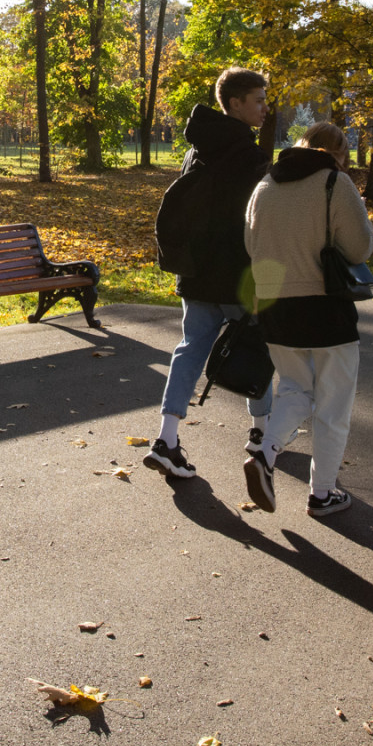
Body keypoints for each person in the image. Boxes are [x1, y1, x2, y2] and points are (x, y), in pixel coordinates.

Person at [240, 121, 373, 517]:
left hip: (275, 306)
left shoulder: (264, 186)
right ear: (339, 153)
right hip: (325, 306)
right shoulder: (334, 183)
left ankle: (265, 454)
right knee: (334, 405)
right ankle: (322, 493)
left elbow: (251, 244)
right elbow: (360, 247)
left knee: (295, 389)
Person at [144, 68, 272, 480]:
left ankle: (167, 438)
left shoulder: (196, 149)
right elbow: (255, 221)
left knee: (189, 349)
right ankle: (260, 436)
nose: (264, 108)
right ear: (234, 103)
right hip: (236, 275)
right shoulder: (249, 156)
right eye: (257, 100)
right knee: (257, 350)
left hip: (197, 273)